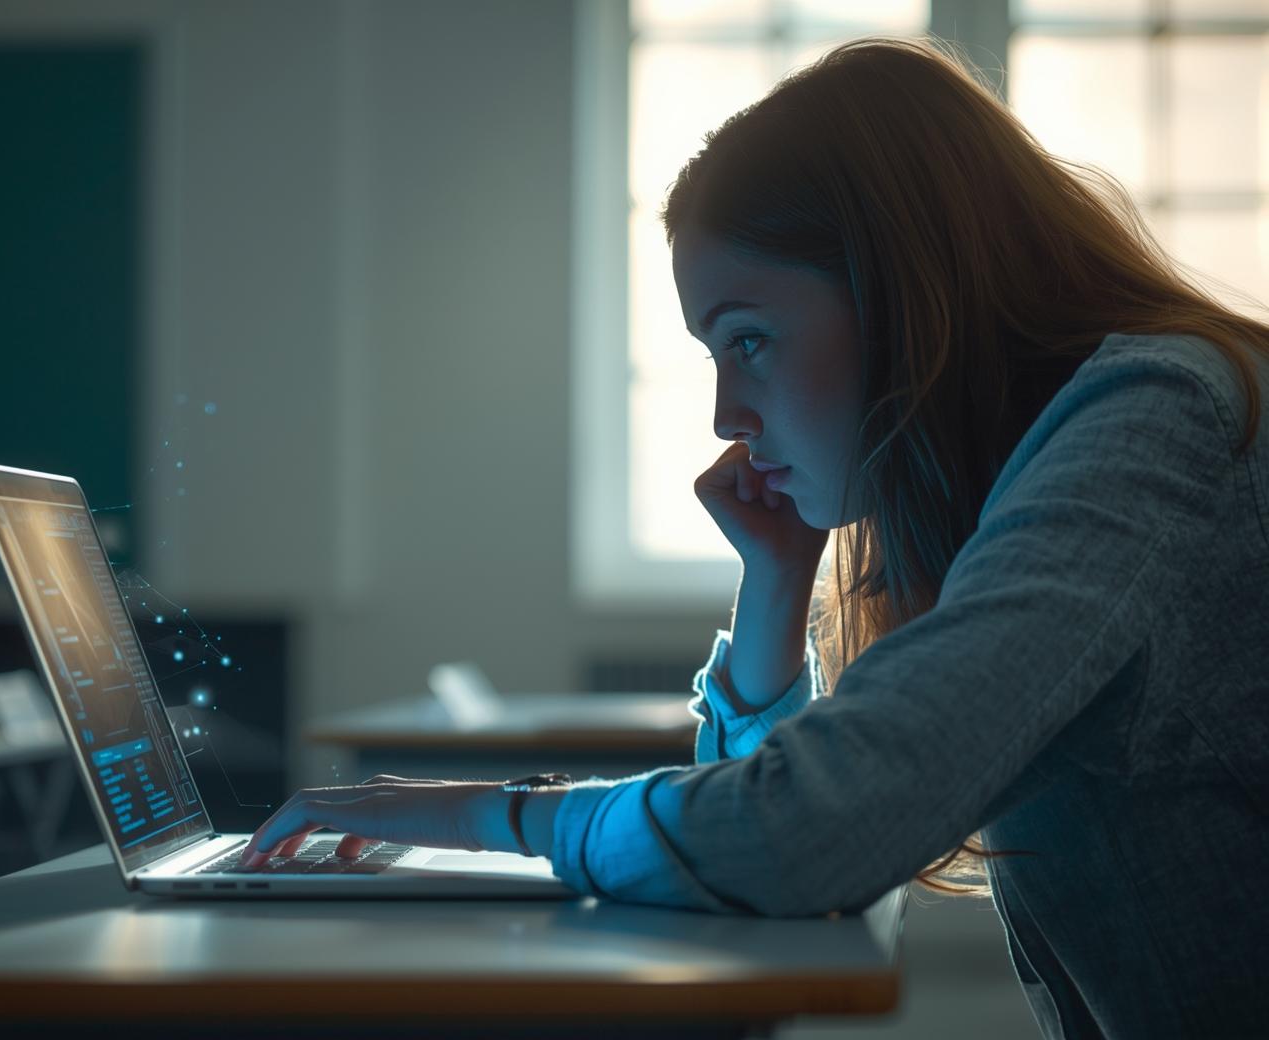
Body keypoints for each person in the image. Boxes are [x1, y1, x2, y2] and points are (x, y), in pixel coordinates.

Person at [242, 36, 1269, 1038]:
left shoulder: (1157, 417)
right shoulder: (1062, 459)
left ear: (904, 293)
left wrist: (476, 815)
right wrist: (775, 582)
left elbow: (801, 831)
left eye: (751, 340)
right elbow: (769, 819)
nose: (729, 414)